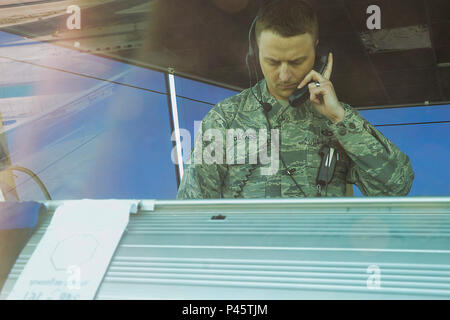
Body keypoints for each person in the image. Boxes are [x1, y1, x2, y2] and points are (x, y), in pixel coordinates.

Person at [177, 0, 414, 199]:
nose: (284, 75)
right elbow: (192, 207)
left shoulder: (338, 120)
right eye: (272, 61)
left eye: (296, 61)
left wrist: (339, 118)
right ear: (255, 52)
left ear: (317, 53)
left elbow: (397, 186)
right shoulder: (225, 119)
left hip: (322, 253)